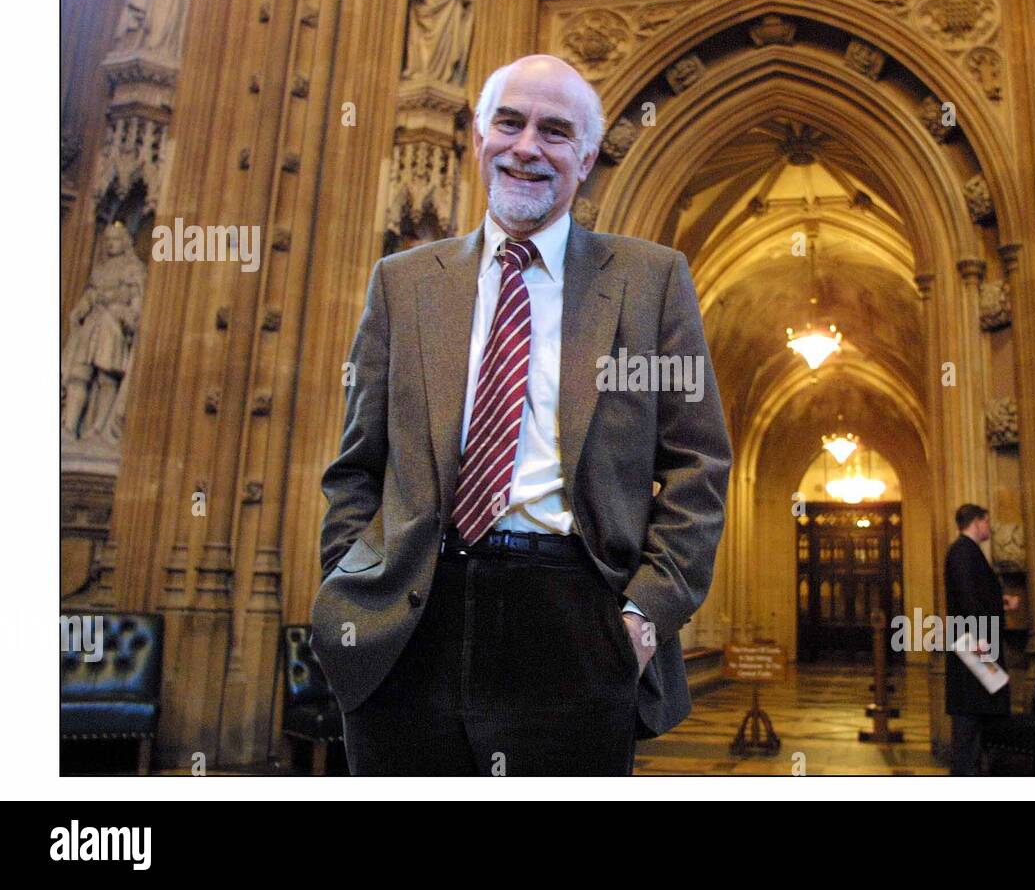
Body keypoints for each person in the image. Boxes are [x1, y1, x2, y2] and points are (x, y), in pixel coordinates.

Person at [310, 54, 733, 775]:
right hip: (411, 616)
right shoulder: (404, 284)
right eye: (509, 122)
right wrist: (349, 595)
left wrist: (641, 616)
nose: (528, 146)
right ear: (479, 138)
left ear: (587, 158)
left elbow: (699, 466)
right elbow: (357, 466)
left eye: (556, 131)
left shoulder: (650, 280)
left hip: (576, 624)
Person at [944, 503, 1017, 775]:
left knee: (980, 712)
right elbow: (966, 597)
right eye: (987, 522)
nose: (990, 527)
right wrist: (977, 636)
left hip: (976, 642)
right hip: (973, 647)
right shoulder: (963, 552)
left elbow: (976, 593)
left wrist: (1001, 601)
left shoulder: (968, 552)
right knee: (969, 717)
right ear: (977, 522)